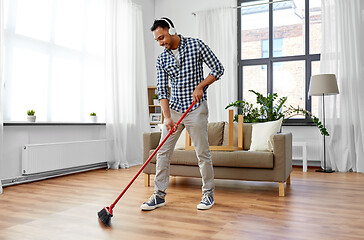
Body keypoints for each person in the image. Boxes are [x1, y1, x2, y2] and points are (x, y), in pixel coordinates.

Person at [140, 17, 224, 211]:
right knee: (163, 152)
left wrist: (201, 86)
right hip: (175, 111)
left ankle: (208, 195)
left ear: (172, 30)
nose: (161, 43)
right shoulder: (162, 59)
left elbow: (218, 69)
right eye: (157, 40)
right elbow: (162, 90)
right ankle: (158, 196)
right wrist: (167, 117)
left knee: (202, 153)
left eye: (162, 37)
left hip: (196, 109)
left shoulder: (196, 45)